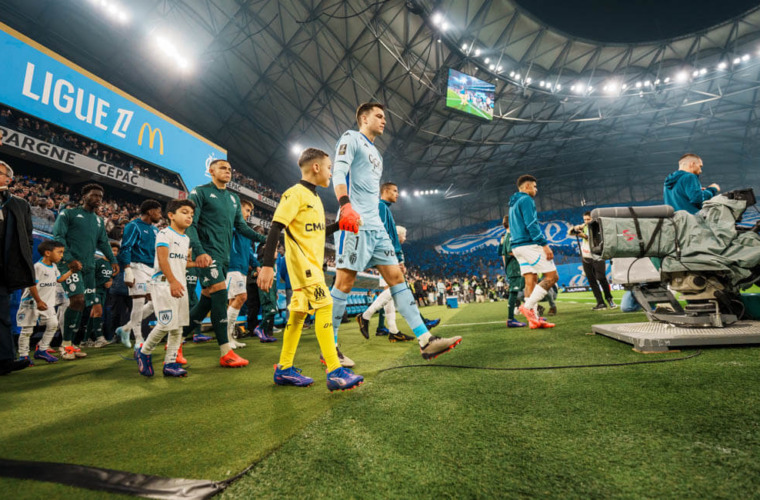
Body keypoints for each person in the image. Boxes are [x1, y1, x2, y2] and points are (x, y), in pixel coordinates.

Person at [330, 102, 461, 362]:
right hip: (354, 223)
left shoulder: (377, 155)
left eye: (384, 117)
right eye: (379, 116)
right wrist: (345, 206)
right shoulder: (351, 138)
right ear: (363, 118)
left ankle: (426, 340)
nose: (384, 121)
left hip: (376, 227)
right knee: (344, 283)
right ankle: (330, 346)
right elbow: (339, 172)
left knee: (397, 280)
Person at [258, 148, 363, 391]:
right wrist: (267, 266)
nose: (331, 172)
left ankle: (284, 368)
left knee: (297, 316)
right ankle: (335, 370)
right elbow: (275, 228)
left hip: (311, 266)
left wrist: (339, 225)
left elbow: (316, 233)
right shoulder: (294, 194)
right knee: (325, 306)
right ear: (316, 167)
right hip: (303, 266)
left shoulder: (314, 198)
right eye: (329, 167)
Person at [184, 159, 266, 368]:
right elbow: (191, 224)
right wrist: (199, 251)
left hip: (223, 257)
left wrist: (267, 239)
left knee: (206, 302)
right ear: (211, 171)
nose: (228, 172)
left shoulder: (233, 198)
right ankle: (225, 351)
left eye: (230, 169)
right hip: (206, 254)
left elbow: (242, 227)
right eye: (223, 168)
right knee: (220, 294)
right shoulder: (200, 192)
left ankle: (172, 342)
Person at [355, 182, 439, 341]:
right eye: (394, 191)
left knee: (394, 294)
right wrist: (394, 257)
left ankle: (392, 331)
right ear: (385, 191)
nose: (397, 194)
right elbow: (384, 234)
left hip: (386, 254)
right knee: (400, 289)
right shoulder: (379, 206)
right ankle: (367, 316)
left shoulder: (384, 208)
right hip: (384, 255)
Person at [52, 183, 118, 360]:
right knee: (77, 300)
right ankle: (65, 344)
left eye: (100, 197)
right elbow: (58, 237)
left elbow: (103, 242)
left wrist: (112, 260)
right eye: (94, 195)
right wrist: (69, 258)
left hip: (89, 266)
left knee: (82, 304)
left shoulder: (98, 220)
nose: (98, 199)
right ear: (84, 196)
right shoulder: (69, 213)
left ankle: (72, 344)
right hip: (71, 265)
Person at [137, 199, 196, 377]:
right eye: (184, 212)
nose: (189, 217)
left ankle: (170, 362)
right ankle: (144, 352)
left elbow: (182, 264)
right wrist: (172, 281)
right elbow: (163, 260)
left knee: (178, 327)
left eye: (191, 214)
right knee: (164, 324)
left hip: (179, 284)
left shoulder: (186, 238)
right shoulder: (164, 234)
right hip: (164, 283)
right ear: (171, 215)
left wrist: (197, 264)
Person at [508, 174, 557, 329]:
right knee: (552, 276)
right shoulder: (526, 199)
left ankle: (533, 320)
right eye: (535, 186)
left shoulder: (513, 203)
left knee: (531, 281)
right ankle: (528, 307)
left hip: (517, 247)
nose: (536, 189)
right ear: (527, 186)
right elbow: (531, 223)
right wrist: (544, 244)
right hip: (529, 244)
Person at [0, 160, 34, 375]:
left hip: (4, 268)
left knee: (2, 315)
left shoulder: (19, 204)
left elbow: (27, 238)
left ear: (8, 179)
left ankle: (4, 360)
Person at [16, 240, 73, 364]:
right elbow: (32, 285)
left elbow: (59, 279)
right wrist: (38, 301)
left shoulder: (53, 266)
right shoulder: (37, 267)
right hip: (31, 303)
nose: (61, 255)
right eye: (60, 252)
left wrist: (71, 271)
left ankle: (42, 350)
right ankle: (24, 356)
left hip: (47, 304)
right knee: (27, 330)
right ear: (48, 253)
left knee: (53, 325)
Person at [116, 200, 162, 349]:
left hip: (151, 270)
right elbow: (126, 247)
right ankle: (139, 339)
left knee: (155, 304)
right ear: (150, 211)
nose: (160, 215)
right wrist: (127, 269)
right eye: (158, 212)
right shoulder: (133, 226)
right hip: (137, 267)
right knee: (138, 302)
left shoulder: (155, 230)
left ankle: (126, 328)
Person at [225, 199, 258, 349]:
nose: (248, 214)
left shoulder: (245, 229)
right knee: (241, 297)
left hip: (243, 268)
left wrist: (257, 266)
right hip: (233, 266)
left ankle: (229, 337)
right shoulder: (231, 225)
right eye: (247, 210)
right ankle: (227, 337)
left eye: (250, 211)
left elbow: (249, 252)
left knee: (233, 300)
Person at [569, 211, 616, 310]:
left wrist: (583, 235)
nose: (586, 221)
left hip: (597, 255)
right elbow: (570, 232)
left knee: (601, 277)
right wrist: (576, 228)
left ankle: (609, 299)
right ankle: (600, 303)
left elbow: (592, 239)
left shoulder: (599, 227)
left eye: (588, 219)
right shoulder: (584, 226)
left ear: (593, 219)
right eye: (585, 219)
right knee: (591, 280)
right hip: (586, 256)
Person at [499, 215, 526, 328]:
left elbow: (501, 252)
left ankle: (531, 310)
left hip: (514, 268)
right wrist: (525, 254)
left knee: (524, 288)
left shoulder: (506, 236)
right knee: (515, 292)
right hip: (515, 268)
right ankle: (511, 318)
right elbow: (510, 252)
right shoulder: (510, 236)